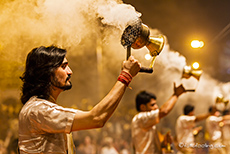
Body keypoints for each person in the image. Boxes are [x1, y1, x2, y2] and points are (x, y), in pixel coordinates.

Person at [18, 45, 141, 154]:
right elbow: (96, 119)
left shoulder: (39, 107)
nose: (70, 72)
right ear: (47, 73)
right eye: (63, 66)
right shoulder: (38, 110)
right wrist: (126, 75)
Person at [131, 83, 187, 154]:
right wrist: (176, 95)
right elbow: (164, 111)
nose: (156, 107)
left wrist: (164, 143)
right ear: (142, 107)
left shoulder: (149, 123)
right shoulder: (140, 118)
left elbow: (152, 148)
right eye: (152, 105)